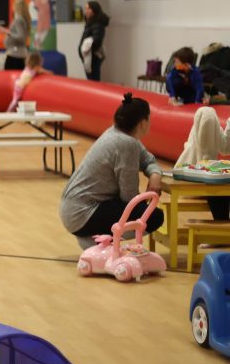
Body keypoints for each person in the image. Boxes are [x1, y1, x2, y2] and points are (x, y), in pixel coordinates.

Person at [59, 93, 164, 249]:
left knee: (141, 210)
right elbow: (129, 197)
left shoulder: (118, 133)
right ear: (143, 122)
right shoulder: (126, 144)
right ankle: (97, 240)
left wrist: (155, 175)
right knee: (154, 216)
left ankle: (97, 238)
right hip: (83, 213)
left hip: (72, 209)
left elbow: (148, 160)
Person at [175, 106, 230, 220]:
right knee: (219, 192)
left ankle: (222, 223)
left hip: (208, 177)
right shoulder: (200, 131)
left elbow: (225, 148)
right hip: (197, 181)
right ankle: (222, 223)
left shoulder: (212, 128)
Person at [79, 0, 109, 81]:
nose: (86, 11)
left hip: (93, 57)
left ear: (94, 10)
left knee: (94, 81)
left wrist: (87, 49)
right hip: (88, 57)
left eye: (88, 9)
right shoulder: (90, 23)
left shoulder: (97, 24)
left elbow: (97, 40)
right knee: (91, 80)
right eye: (86, 9)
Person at [0, 0, 31, 70]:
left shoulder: (18, 20)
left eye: (14, 6)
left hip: (15, 54)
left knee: (9, 76)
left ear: (17, 7)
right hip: (19, 53)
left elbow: (21, 37)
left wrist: (6, 31)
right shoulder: (24, 19)